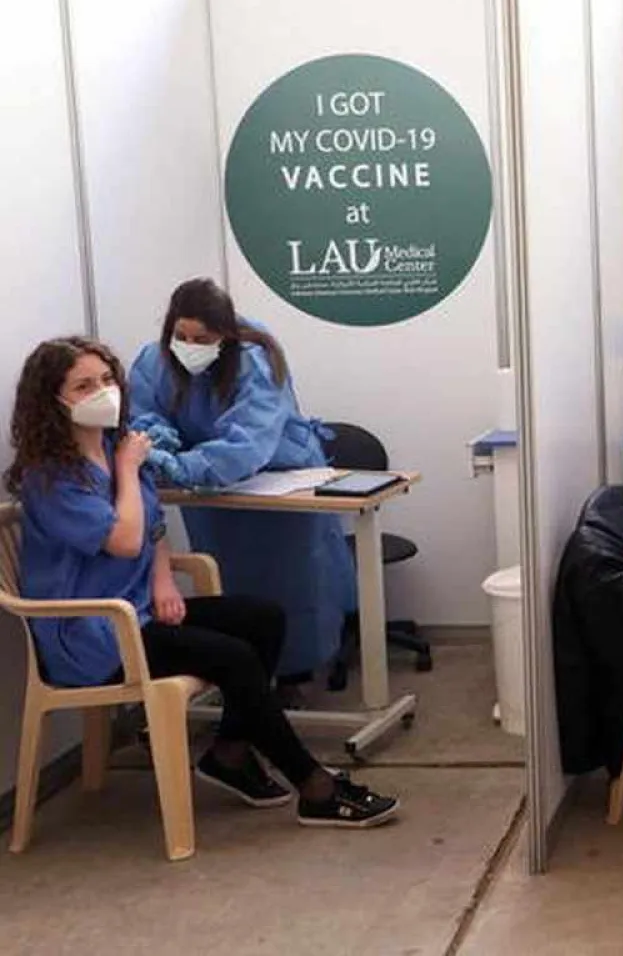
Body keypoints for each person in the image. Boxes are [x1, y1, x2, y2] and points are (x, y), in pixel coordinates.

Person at [5, 337, 397, 827]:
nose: (103, 393)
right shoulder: (51, 478)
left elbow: (153, 528)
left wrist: (165, 579)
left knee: (263, 617)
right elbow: (125, 540)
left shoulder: (114, 447)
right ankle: (315, 786)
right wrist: (129, 470)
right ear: (52, 400)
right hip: (93, 635)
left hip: (140, 609)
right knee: (234, 658)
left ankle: (229, 753)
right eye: (84, 386)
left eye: (107, 380)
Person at [128, 278, 354, 684]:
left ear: (225, 336)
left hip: (280, 481)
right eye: (180, 335)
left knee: (292, 585)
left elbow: (250, 439)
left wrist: (187, 467)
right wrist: (157, 437)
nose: (188, 344)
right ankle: (244, 681)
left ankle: (293, 679)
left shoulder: (256, 360)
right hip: (215, 495)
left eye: (202, 337)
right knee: (226, 579)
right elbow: (144, 409)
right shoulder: (153, 359)